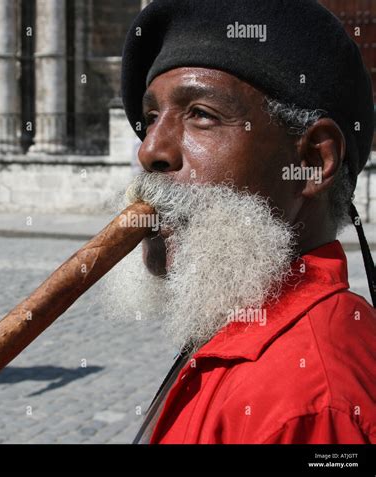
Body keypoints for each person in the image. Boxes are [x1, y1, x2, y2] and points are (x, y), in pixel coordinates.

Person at [102, 0, 376, 443]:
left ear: (311, 161)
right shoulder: (240, 328)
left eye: (201, 114)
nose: (150, 149)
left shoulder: (310, 405)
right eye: (153, 118)